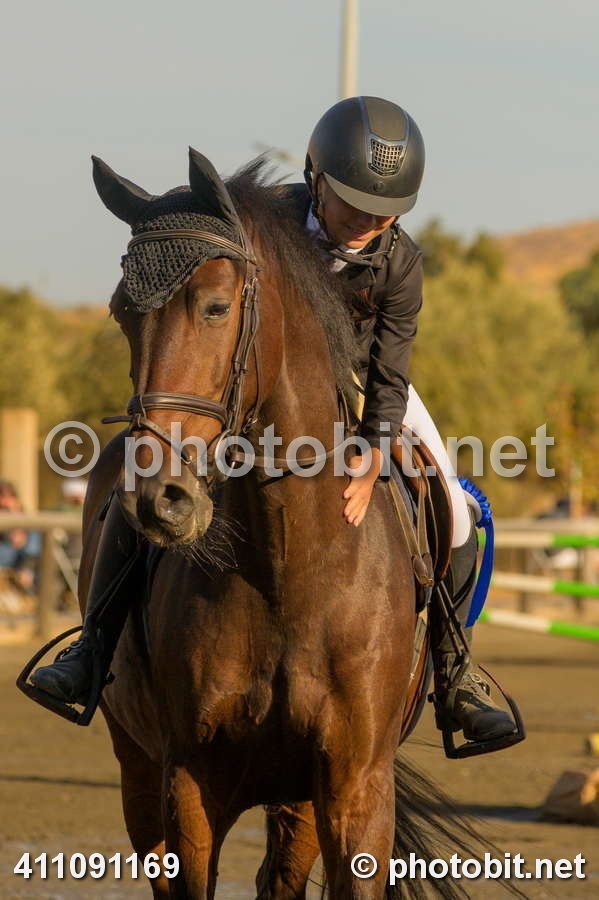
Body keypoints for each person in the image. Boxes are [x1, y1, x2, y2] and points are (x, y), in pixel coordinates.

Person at [31, 97, 517, 746]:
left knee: (453, 506)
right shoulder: (268, 220)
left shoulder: (400, 261)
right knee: (144, 469)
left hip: (362, 382)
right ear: (316, 178)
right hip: (257, 376)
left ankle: (456, 673)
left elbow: (390, 367)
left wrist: (374, 449)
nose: (370, 219)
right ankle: (92, 648)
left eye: (386, 208)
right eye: (353, 202)